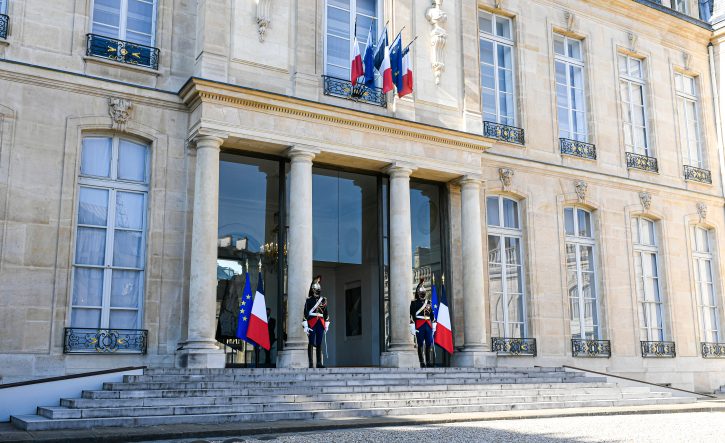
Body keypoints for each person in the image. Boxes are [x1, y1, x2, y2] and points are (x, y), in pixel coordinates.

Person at [303, 275, 330, 368]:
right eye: (316, 288)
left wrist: (326, 324)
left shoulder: (324, 300)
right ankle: (311, 363)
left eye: (318, 288)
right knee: (311, 342)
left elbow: (326, 313)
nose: (317, 290)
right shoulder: (309, 300)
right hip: (312, 322)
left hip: (320, 323)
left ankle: (319, 363)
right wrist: (305, 325)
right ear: (313, 289)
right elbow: (305, 313)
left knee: (319, 342)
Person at [409, 277, 436, 368]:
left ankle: (428, 361)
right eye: (421, 292)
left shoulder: (429, 302)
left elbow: (432, 314)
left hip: (428, 324)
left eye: (423, 292)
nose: (423, 293)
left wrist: (434, 323)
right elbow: (411, 315)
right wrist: (412, 325)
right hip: (419, 324)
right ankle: (422, 362)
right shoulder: (414, 303)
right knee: (420, 344)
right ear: (418, 293)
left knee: (429, 343)